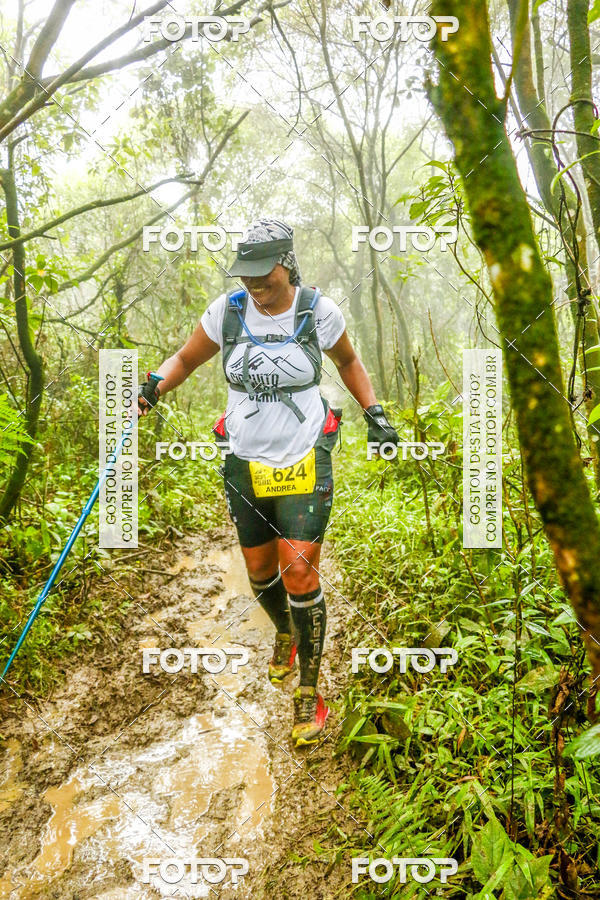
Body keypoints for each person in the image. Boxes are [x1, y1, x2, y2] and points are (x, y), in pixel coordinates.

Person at [138, 218, 399, 747]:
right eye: (247, 276)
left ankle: (310, 691)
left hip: (304, 452)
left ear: (287, 263)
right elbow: (187, 359)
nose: (255, 284)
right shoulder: (227, 313)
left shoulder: (317, 311)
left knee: (299, 574)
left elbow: (348, 361)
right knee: (261, 575)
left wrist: (374, 413)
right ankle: (286, 632)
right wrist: (152, 388)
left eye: (264, 274)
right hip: (243, 456)